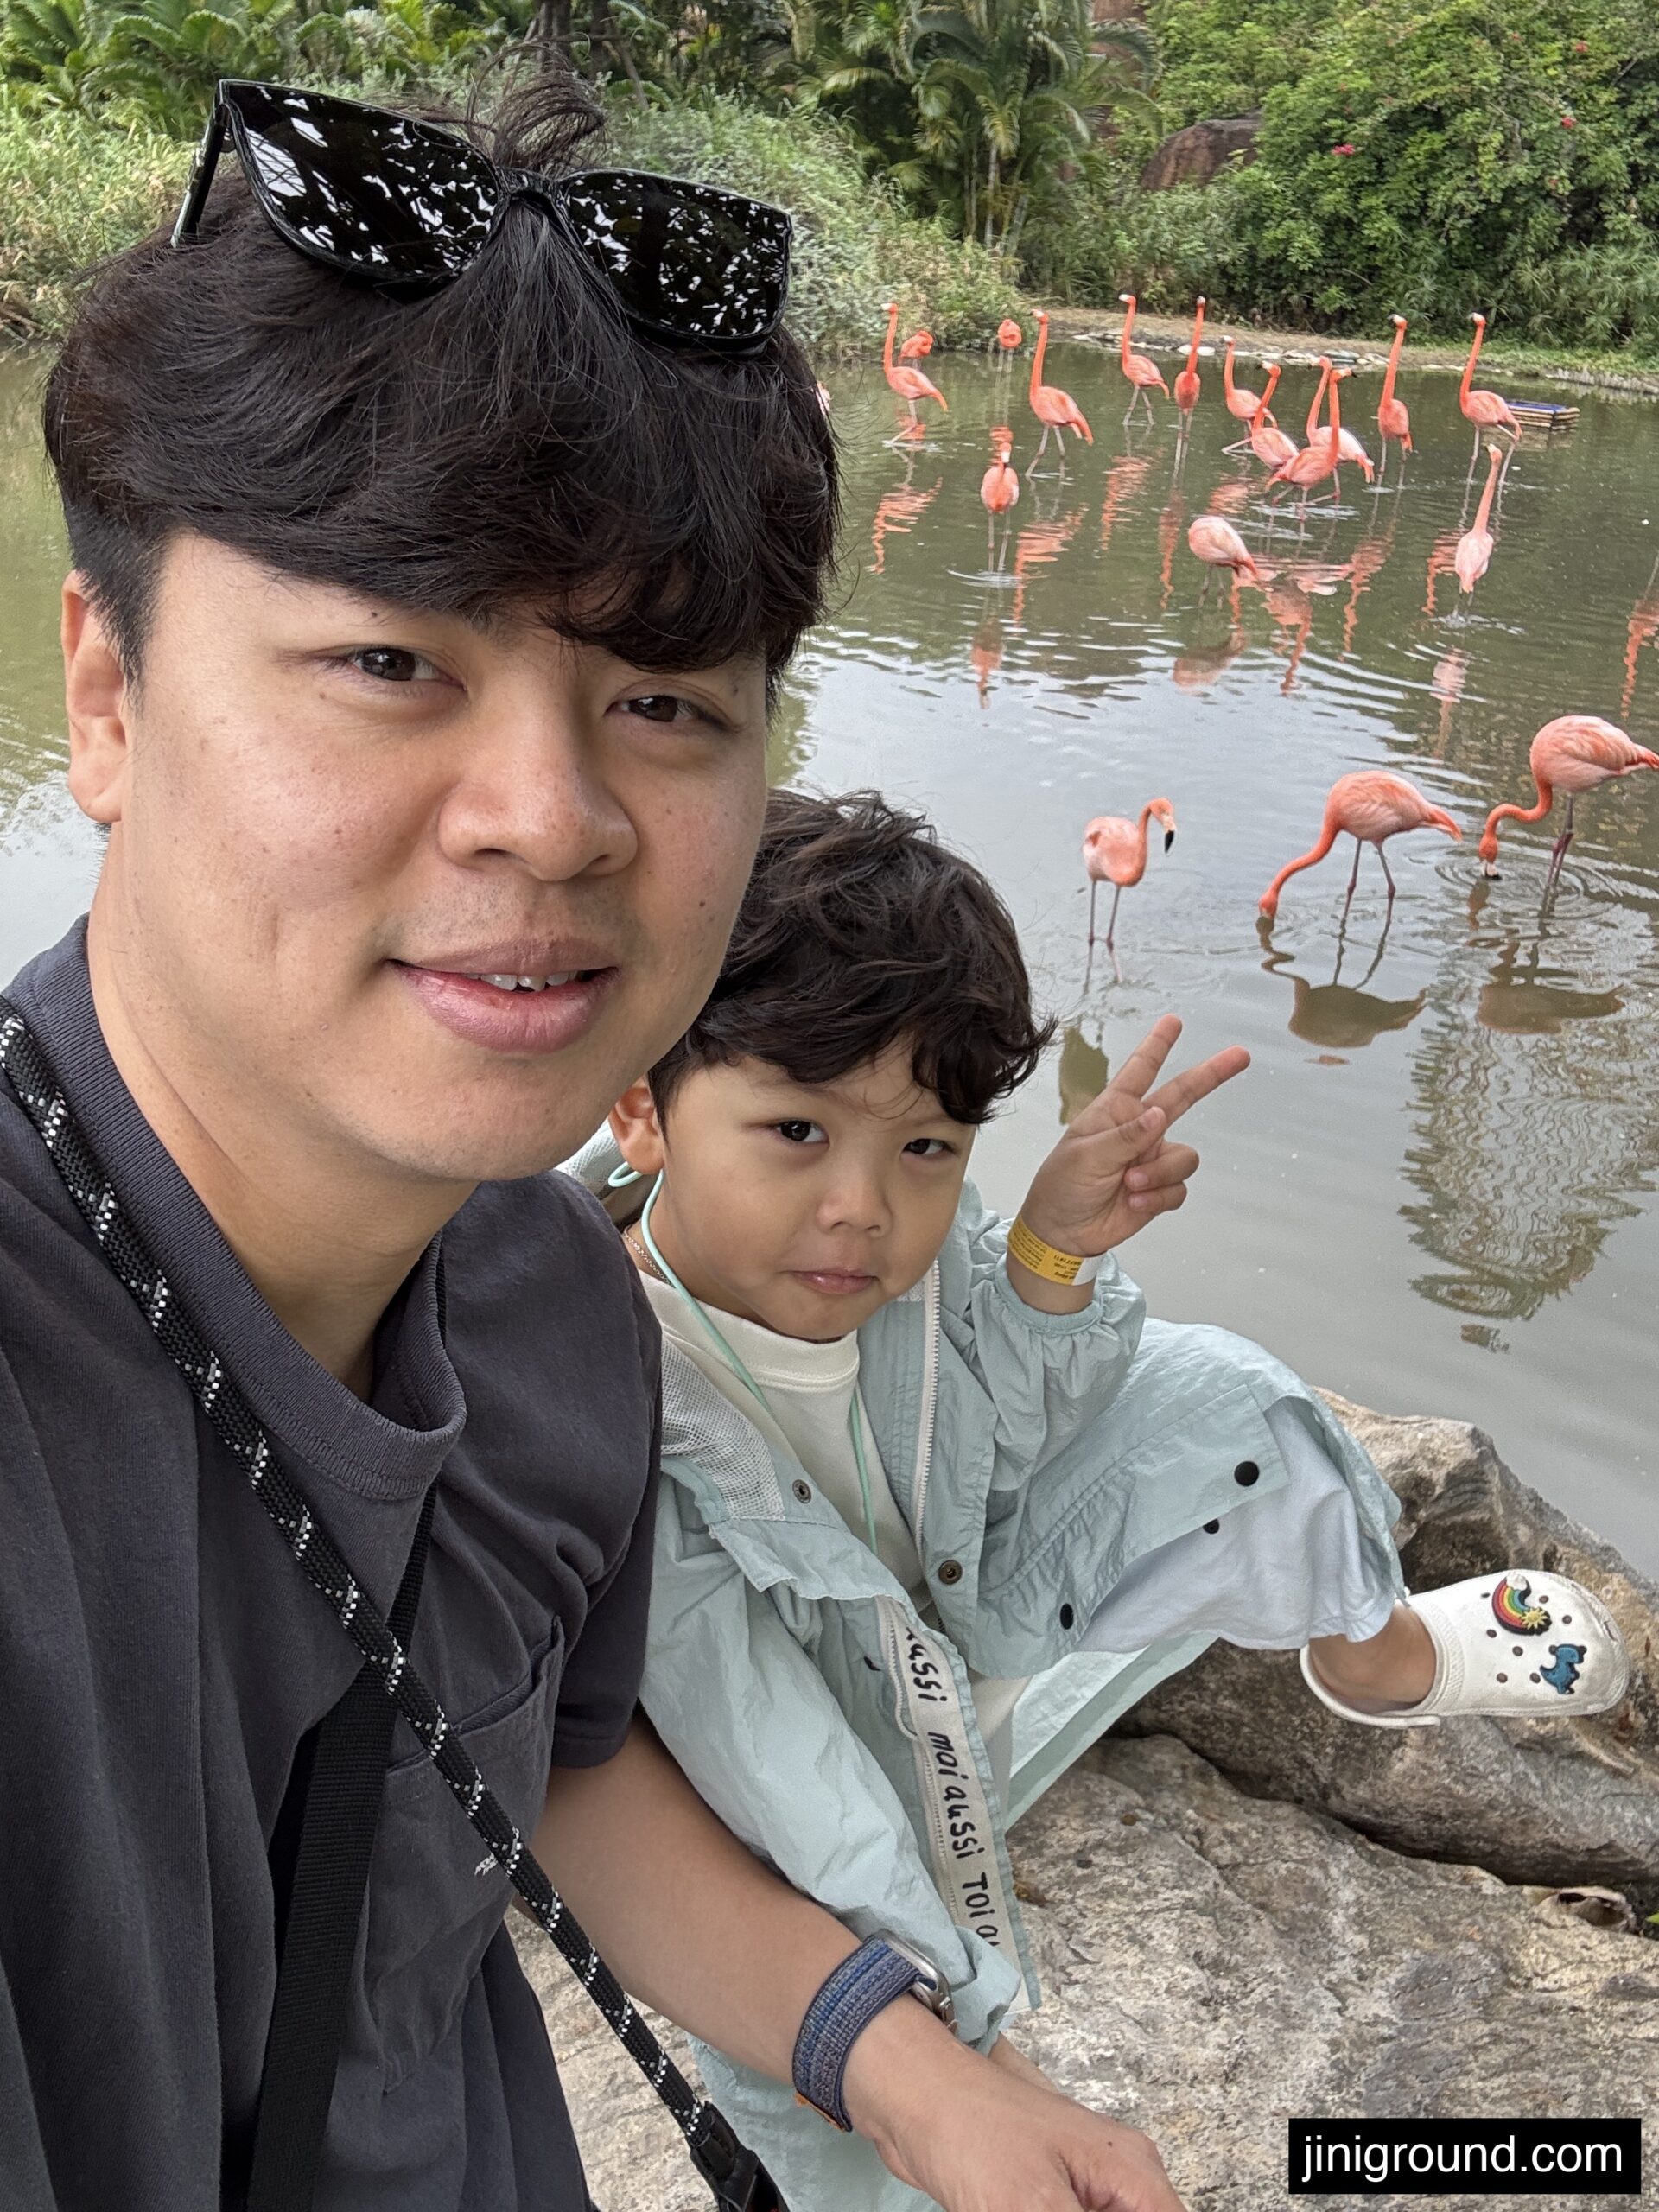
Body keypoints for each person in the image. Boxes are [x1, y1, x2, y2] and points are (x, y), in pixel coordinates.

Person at [0, 59, 1191, 2212]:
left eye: (666, 702)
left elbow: (540, 1757)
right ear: (104, 694)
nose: (552, 819)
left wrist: (911, 2073)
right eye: (386, 659)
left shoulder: (557, 1307)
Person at [563, 785, 1634, 2212]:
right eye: (797, 1134)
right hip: (805, 1724)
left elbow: (1006, 1429)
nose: (864, 1211)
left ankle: (1379, 1654)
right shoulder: (605, 1394)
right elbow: (768, 1754)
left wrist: (1050, 1259)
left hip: (951, 1589)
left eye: (927, 1148)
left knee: (1234, 1405)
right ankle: (914, 2070)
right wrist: (957, 2051)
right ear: (639, 1102)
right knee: (843, 1951)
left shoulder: (903, 1257)